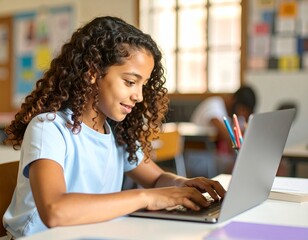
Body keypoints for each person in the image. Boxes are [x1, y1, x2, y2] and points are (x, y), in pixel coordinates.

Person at [2, 16, 225, 238]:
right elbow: (55, 211)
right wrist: (147, 197)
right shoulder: (49, 128)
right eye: (130, 81)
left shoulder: (117, 134)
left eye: (143, 85)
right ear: (92, 73)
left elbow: (156, 179)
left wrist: (184, 185)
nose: (138, 96)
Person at [190, 86, 256, 172]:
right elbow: (229, 137)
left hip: (213, 155)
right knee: (236, 166)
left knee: (241, 164)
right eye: (241, 109)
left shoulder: (235, 114)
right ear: (233, 100)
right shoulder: (214, 105)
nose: (242, 114)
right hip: (198, 157)